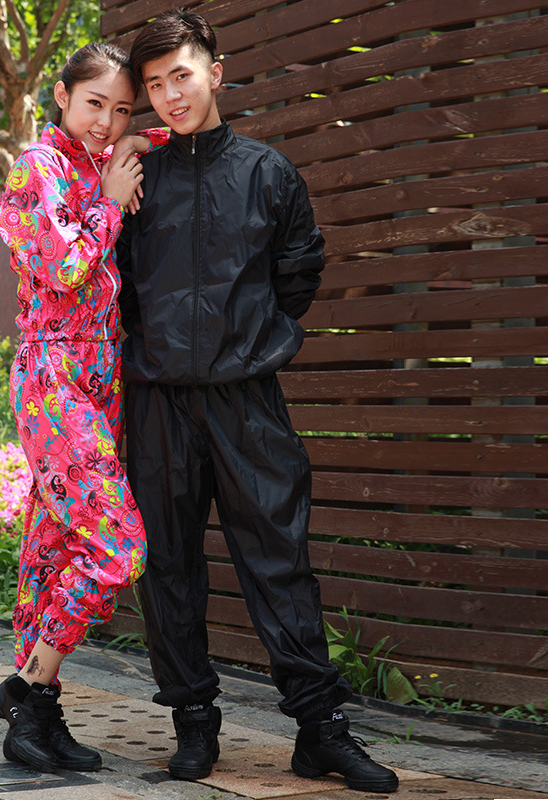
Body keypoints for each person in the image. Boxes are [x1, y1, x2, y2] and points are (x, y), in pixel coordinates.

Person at [117, 10, 398, 795]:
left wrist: (247, 340)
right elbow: (116, 284)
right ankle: (193, 722)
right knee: (167, 565)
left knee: (280, 563)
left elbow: (298, 272)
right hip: (158, 403)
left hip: (248, 400)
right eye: (155, 85)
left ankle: (321, 730)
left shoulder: (268, 173)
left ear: (214, 72)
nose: (171, 95)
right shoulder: (137, 178)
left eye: (181, 76)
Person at [0, 42, 167, 774]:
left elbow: (168, 131)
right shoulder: (38, 167)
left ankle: (39, 711)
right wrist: (111, 200)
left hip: (101, 375)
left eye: (121, 108)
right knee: (118, 546)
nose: (106, 121)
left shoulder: (99, 163)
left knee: (56, 544)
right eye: (95, 103)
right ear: (61, 95)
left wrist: (134, 141)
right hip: (54, 372)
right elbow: (65, 267)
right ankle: (25, 691)